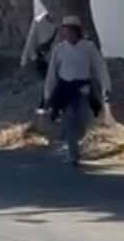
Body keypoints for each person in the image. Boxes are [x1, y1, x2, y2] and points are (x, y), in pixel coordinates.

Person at [43, 15, 111, 167]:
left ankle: (76, 140)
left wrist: (106, 85)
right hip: (66, 89)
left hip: (83, 89)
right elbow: (52, 73)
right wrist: (48, 94)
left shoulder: (88, 48)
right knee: (69, 119)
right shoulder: (59, 50)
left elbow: (99, 66)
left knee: (82, 121)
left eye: (71, 30)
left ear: (77, 31)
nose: (68, 33)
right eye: (65, 30)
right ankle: (73, 154)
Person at [20, 10, 58, 106]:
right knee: (48, 84)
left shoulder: (62, 23)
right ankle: (46, 105)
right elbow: (30, 41)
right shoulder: (38, 22)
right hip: (43, 60)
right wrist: (25, 60)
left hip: (56, 60)